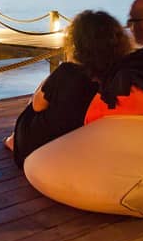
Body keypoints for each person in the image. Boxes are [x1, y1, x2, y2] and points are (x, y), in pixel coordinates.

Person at [8, 10, 132, 168]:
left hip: (46, 146)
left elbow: (37, 106)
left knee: (34, 104)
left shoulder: (68, 72)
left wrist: (54, 75)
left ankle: (14, 141)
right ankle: (14, 140)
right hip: (84, 141)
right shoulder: (119, 75)